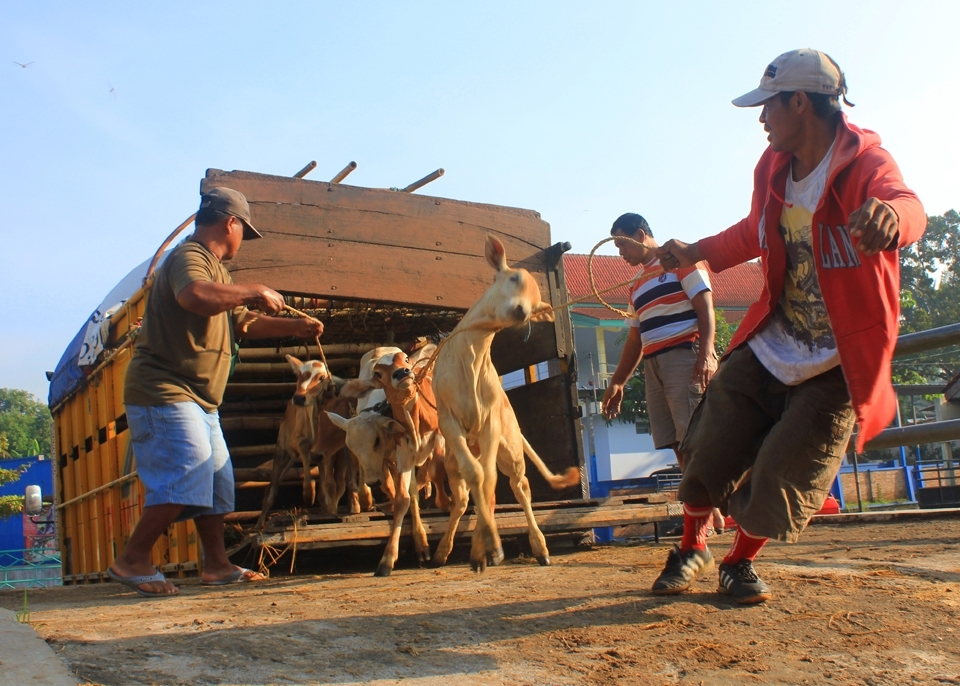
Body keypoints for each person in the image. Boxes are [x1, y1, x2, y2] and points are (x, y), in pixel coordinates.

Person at [651, 48, 925, 604]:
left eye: (768, 106)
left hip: (836, 358)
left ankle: (739, 562)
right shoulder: (772, 167)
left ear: (800, 102)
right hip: (775, 337)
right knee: (711, 437)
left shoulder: (866, 162)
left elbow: (907, 203)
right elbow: (754, 231)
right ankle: (692, 546)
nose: (761, 119)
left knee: (789, 465)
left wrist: (891, 218)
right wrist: (694, 252)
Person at [107, 187, 324, 597]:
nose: (243, 241)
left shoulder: (218, 273)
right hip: (166, 390)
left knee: (218, 482)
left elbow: (243, 322)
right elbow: (195, 296)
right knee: (188, 471)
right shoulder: (191, 259)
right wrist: (255, 288)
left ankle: (217, 565)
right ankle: (133, 558)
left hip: (201, 400)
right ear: (231, 223)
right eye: (245, 231)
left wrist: (295, 327)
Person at [600, 214, 724, 532]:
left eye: (621, 244)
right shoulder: (636, 285)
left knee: (693, 436)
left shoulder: (680, 258)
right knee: (674, 442)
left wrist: (707, 353)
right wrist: (618, 382)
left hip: (684, 355)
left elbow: (704, 305)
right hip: (653, 363)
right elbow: (634, 338)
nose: (620, 253)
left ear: (640, 236)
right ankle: (705, 508)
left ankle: (708, 509)